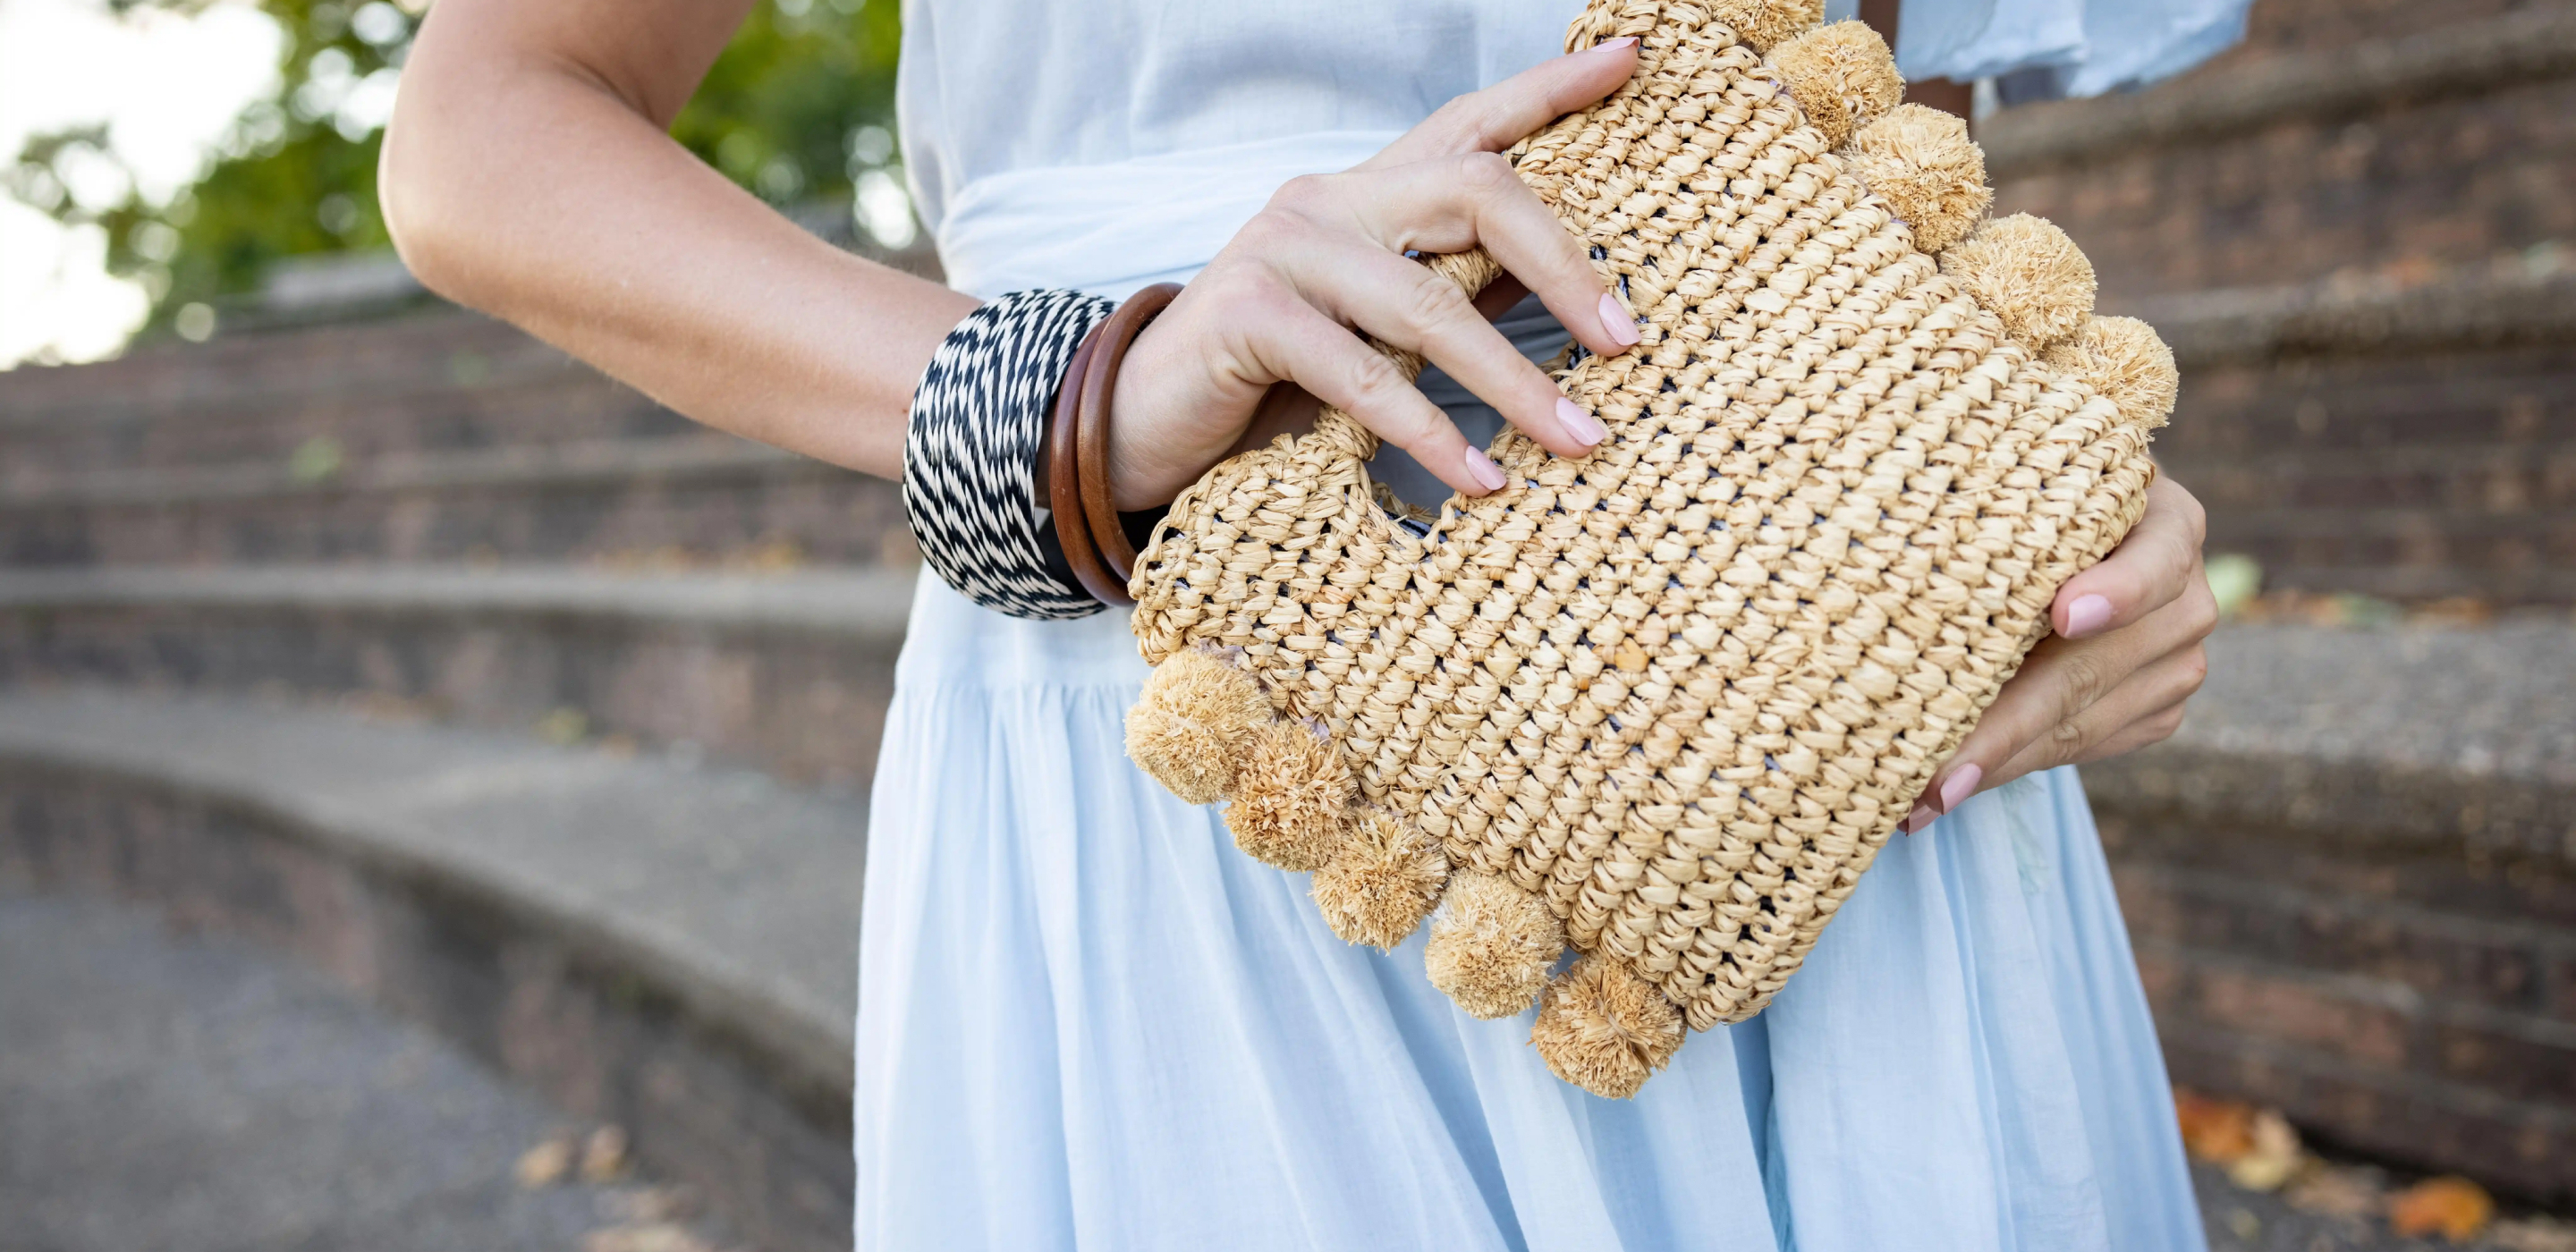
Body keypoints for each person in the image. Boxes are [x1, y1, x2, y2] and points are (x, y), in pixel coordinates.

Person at [383, 1, 2241, 1247]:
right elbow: (486, 124)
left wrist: (2046, 487)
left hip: (1803, 748)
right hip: (1230, 721)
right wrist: (1067, 402)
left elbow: (1876, 132)